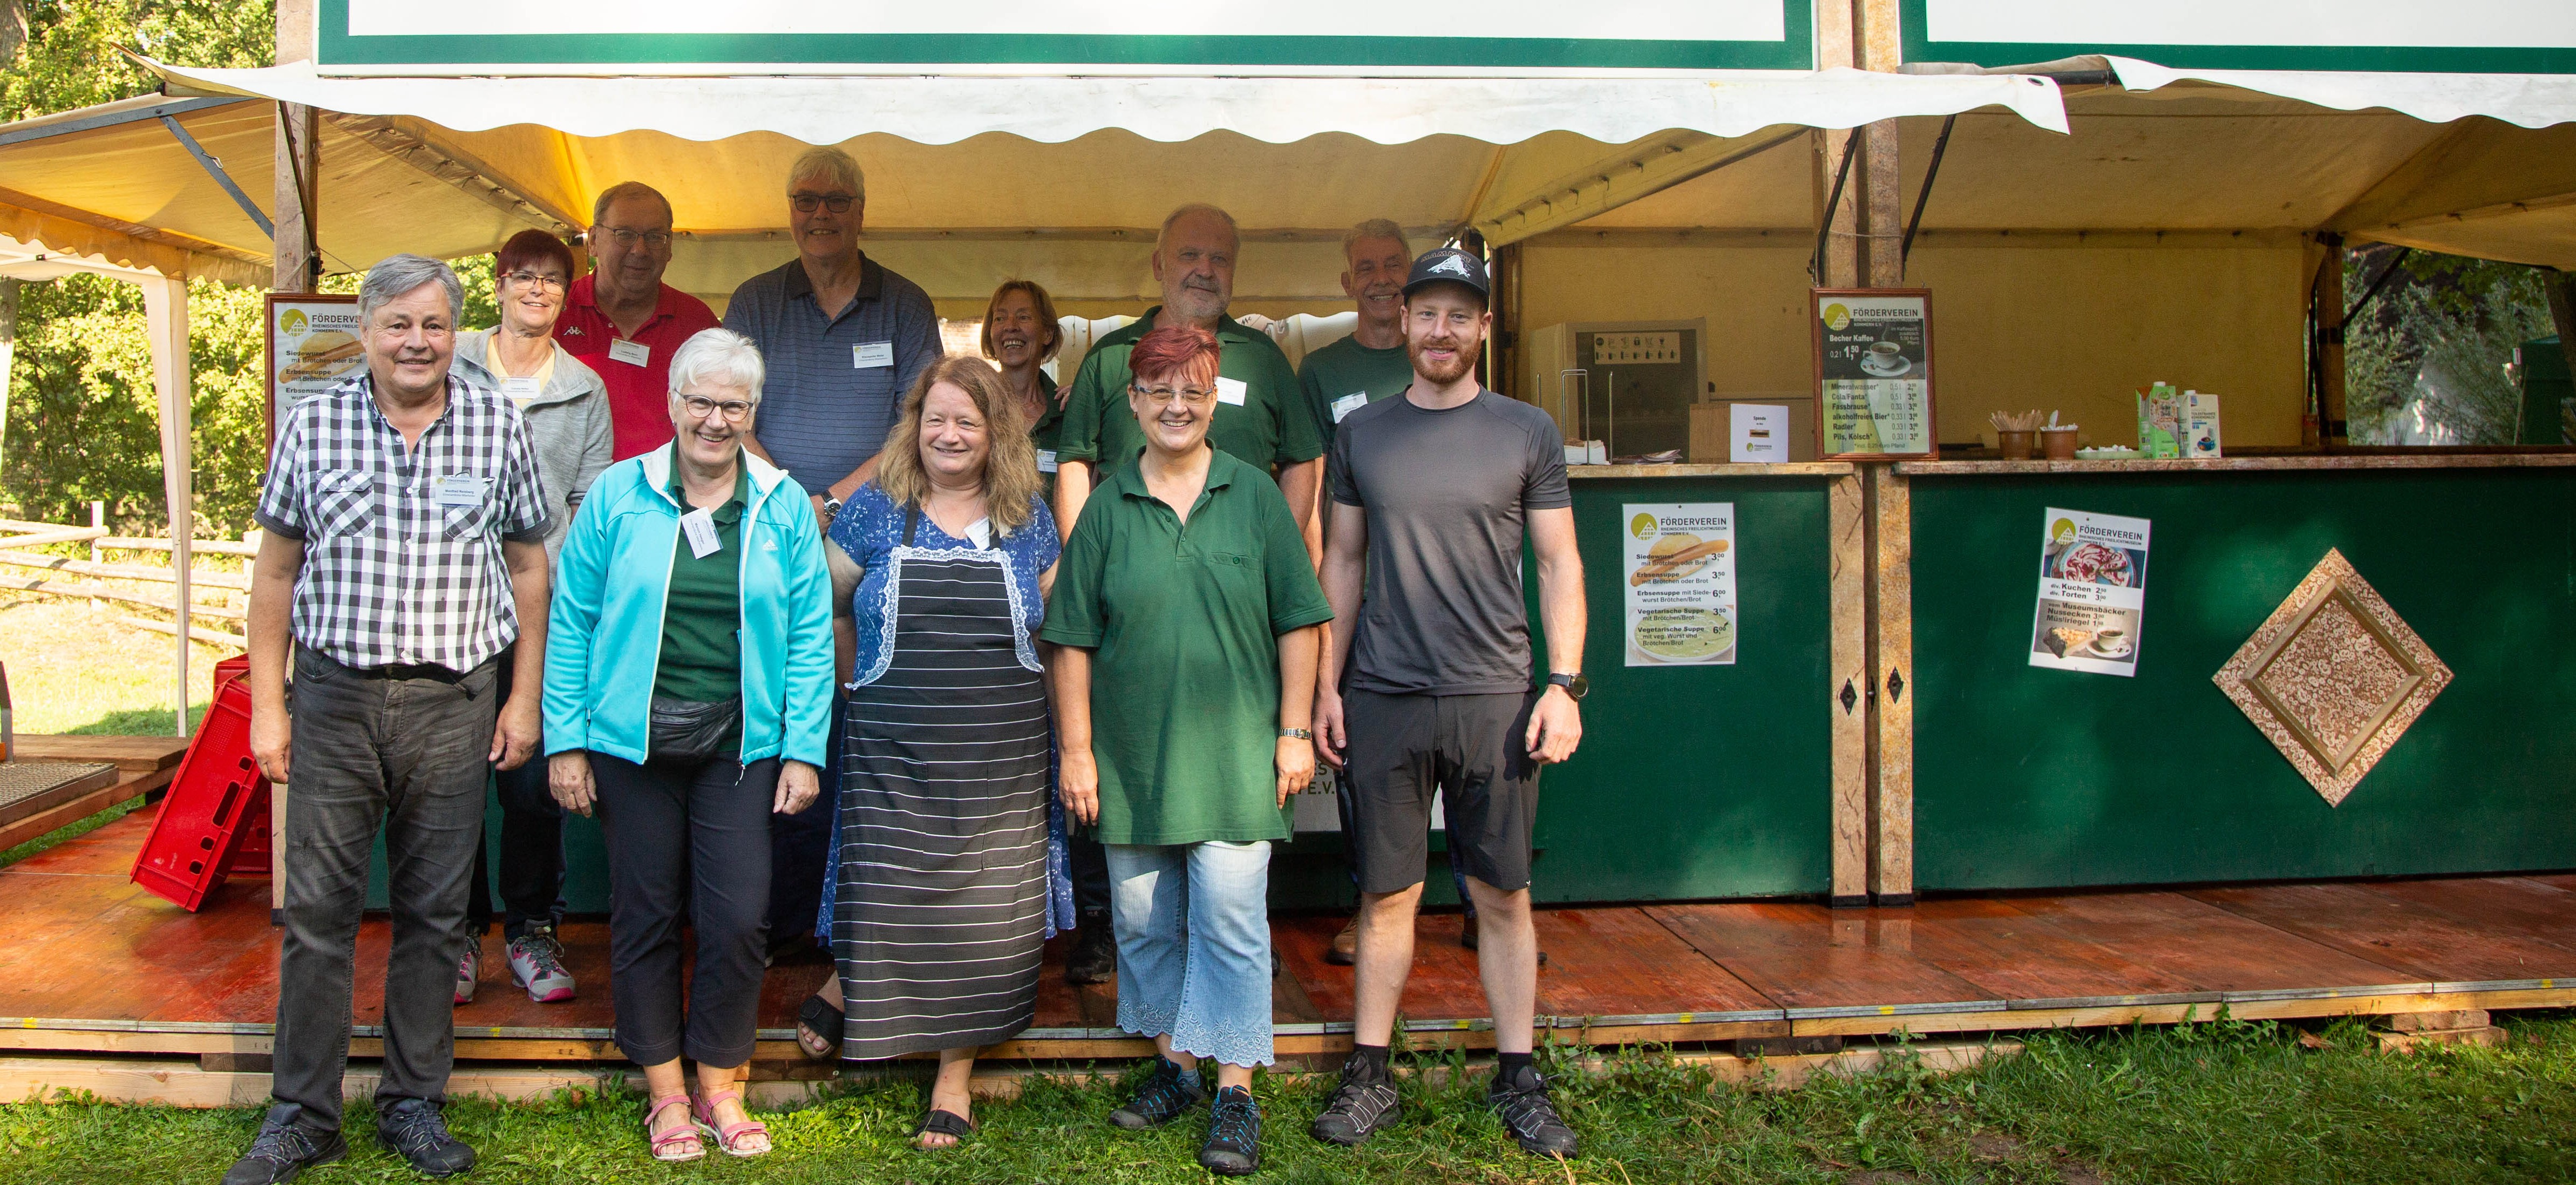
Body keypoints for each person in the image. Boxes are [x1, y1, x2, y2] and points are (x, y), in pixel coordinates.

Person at [229, 254, 554, 1185]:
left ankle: (413, 1104)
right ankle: (303, 1117)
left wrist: (522, 696)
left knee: (435, 917)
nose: (418, 342)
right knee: (320, 917)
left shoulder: (496, 424)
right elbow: (276, 574)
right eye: (399, 324)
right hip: (333, 699)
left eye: (435, 325)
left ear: (458, 334)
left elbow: (529, 567)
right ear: (367, 332)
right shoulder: (314, 422)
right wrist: (269, 708)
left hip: (455, 701)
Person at [1308, 248, 1588, 1161]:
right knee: (1386, 895)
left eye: (1456, 317)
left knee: (1503, 893)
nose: (1438, 330)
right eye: (1423, 313)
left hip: (1495, 698)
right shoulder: (1362, 435)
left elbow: (1559, 564)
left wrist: (1564, 684)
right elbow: (1340, 565)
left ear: (1480, 329)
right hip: (1383, 692)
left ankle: (1519, 1076)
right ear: (1402, 319)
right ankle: (1367, 1075)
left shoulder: (1526, 431)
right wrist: (1325, 685)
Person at [1041, 324, 1334, 1177]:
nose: (1177, 406)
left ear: (1215, 401)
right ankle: (1174, 1062)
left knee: (1232, 922)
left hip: (1240, 756)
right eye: (1159, 391)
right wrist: (1078, 750)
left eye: (1194, 391)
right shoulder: (1104, 505)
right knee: (1139, 922)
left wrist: (1292, 731)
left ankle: (1236, 1087)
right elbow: (1072, 638)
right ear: (1131, 402)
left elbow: (1299, 620)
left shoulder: (1253, 495)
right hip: (1129, 759)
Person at [542, 328, 834, 1161]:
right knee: (646, 912)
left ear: (752, 412)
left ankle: (722, 1082)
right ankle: (667, 1092)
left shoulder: (780, 503)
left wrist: (804, 747)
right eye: (700, 400)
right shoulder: (618, 493)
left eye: (733, 404)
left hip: (740, 742)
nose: (714, 418)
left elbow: (812, 635)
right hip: (630, 739)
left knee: (740, 917)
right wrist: (567, 739)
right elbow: (573, 621)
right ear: (672, 403)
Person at [794, 356, 1070, 1149]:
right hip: (894, 742)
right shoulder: (877, 508)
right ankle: (853, 982)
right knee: (889, 885)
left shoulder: (1029, 518)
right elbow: (832, 602)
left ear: (997, 435)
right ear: (914, 425)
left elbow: (1052, 629)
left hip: (1000, 755)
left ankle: (954, 1075)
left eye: (968, 422)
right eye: (935, 417)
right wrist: (855, 680)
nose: (948, 435)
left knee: (985, 913)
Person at [450, 228, 614, 1007]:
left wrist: (559, 586)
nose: (538, 291)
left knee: (527, 782)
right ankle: (454, 934)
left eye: (553, 280)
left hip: (535, 606)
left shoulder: (584, 386)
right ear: (499, 283)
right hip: (445, 602)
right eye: (525, 277)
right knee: (449, 778)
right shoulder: (449, 362)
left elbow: (586, 502)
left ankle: (530, 929)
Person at [983, 277, 1118, 984]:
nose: (1011, 328)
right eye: (1000, 317)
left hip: (1059, 609)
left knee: (1075, 758)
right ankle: (1003, 920)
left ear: (1046, 335)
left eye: (1024, 318)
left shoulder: (1071, 411)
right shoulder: (971, 406)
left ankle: (1093, 919)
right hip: (985, 616)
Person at [1051, 204, 1322, 544]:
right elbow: (1077, 465)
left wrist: (1274, 555)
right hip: (1126, 572)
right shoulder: (1109, 357)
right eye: (1189, 255)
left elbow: (1299, 463)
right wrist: (1086, 560)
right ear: (1158, 265)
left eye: (1220, 259)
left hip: (1240, 575)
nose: (1205, 270)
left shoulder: (1265, 359)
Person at [724, 145, 942, 525]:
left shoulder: (907, 305)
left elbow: (919, 428)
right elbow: (730, 417)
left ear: (860, 213)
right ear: (791, 210)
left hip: (879, 521)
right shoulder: (753, 302)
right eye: (806, 200)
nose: (820, 213)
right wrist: (787, 505)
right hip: (766, 517)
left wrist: (830, 505)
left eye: (837, 201)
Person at [554, 181, 722, 459]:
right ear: (594, 240)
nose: (640, 250)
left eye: (655, 237)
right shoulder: (557, 310)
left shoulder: (698, 324)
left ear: (670, 248)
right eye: (625, 234)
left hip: (670, 495)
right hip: (574, 496)